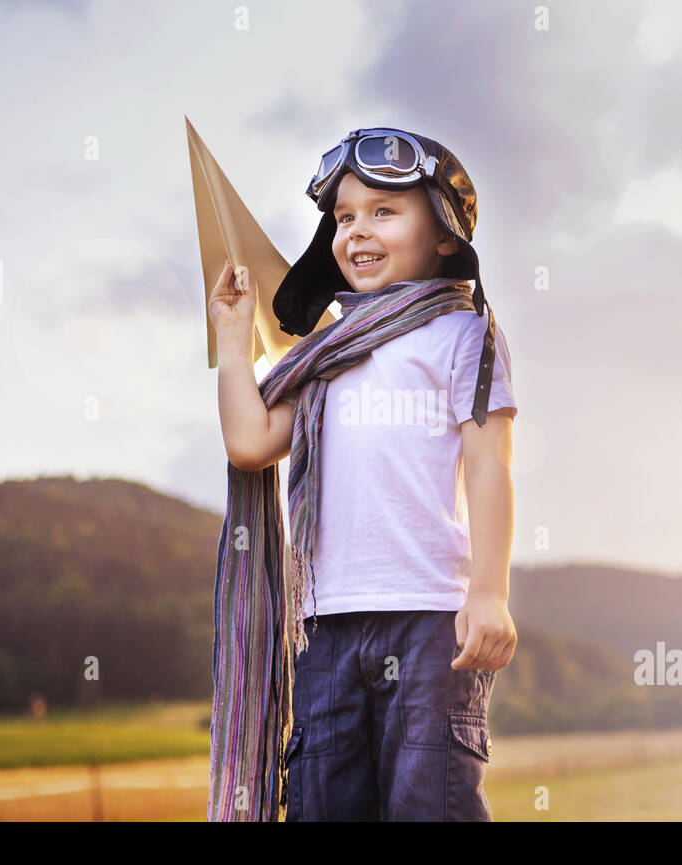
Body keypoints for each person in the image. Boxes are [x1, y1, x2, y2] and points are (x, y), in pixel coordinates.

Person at [207, 127, 518, 821]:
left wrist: (490, 591)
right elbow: (251, 441)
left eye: (383, 211)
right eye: (344, 217)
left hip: (431, 620)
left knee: (429, 805)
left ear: (443, 232)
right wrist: (234, 339)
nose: (356, 231)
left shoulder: (465, 334)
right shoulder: (325, 354)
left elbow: (489, 462)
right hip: (325, 628)